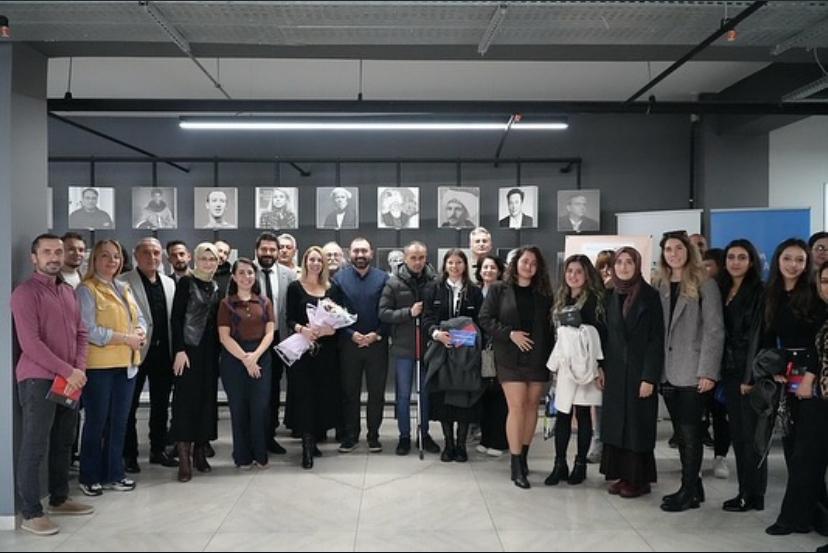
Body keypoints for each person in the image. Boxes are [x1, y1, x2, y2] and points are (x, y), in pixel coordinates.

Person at [11, 234, 94, 536]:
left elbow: (82, 334)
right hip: (38, 379)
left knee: (63, 441)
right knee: (35, 445)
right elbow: (30, 344)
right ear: (34, 258)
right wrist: (68, 370)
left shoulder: (69, 292)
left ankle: (59, 498)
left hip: (69, 379)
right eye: (47, 252)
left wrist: (78, 369)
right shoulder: (25, 293)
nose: (54, 257)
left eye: (58, 251)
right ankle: (32, 513)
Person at [656, 231, 724, 512]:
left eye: (678, 248)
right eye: (668, 249)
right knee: (681, 433)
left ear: (688, 251)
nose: (673, 253)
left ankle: (687, 491)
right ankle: (694, 487)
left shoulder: (705, 284)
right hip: (667, 371)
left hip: (693, 371)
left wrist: (708, 371)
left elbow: (715, 330)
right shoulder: (658, 284)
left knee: (691, 432)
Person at [763, 239, 828, 536]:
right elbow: (769, 337)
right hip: (787, 376)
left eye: (799, 260)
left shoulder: (814, 293)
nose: (793, 265)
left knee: (807, 452)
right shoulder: (773, 294)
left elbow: (818, 344)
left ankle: (792, 517)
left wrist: (809, 377)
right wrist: (773, 369)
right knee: (793, 449)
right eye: (787, 258)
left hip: (811, 379)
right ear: (778, 260)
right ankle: (814, 514)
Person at [480, 246, 554, 489]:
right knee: (517, 405)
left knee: (532, 406)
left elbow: (550, 326)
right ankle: (514, 464)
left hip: (538, 356)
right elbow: (485, 319)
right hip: (509, 356)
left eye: (534, 263)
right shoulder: (499, 289)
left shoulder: (543, 292)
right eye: (525, 261)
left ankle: (523, 456)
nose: (529, 266)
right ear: (516, 263)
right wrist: (509, 334)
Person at [76, 239, 147, 497]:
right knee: (96, 422)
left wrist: (140, 331)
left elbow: (139, 318)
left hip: (127, 365)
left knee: (119, 422)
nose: (111, 261)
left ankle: (114, 473)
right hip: (100, 367)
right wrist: (124, 338)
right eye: (105, 256)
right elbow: (88, 330)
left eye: (116, 256)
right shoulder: (87, 290)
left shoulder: (123, 287)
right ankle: (90, 476)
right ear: (94, 260)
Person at [600, 247, 664, 499]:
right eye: (620, 262)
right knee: (618, 424)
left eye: (629, 262)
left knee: (637, 425)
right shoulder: (610, 294)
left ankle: (639, 480)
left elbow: (655, 339)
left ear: (638, 266)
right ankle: (623, 475)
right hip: (615, 371)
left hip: (640, 372)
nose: (624, 267)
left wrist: (649, 376)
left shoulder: (650, 295)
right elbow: (605, 336)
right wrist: (601, 367)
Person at [545, 255, 607, 486]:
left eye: (578, 271)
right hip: (564, 367)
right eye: (569, 271)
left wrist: (602, 367)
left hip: (587, 367)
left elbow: (603, 335)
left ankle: (580, 464)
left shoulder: (596, 300)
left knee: (582, 415)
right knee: (562, 414)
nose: (573, 275)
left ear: (587, 274)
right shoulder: (560, 298)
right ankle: (559, 463)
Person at [120, 238, 178, 473]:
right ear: (136, 255)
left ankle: (158, 449)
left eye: (156, 253)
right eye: (146, 253)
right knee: (129, 406)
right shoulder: (123, 282)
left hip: (164, 353)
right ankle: (129, 455)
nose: (152, 257)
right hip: (135, 352)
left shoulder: (169, 283)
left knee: (161, 405)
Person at [717, 239, 766, 512]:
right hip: (729, 370)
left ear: (751, 262)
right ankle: (747, 491)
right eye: (731, 256)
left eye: (742, 257)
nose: (735, 262)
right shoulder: (723, 289)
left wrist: (749, 378)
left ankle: (752, 494)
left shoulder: (758, 291)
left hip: (748, 373)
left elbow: (758, 336)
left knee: (749, 438)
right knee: (738, 435)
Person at [379, 241, 441, 456]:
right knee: (403, 395)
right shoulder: (393, 283)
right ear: (405, 258)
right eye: (413, 257)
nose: (417, 262)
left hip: (428, 347)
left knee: (424, 393)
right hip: (403, 348)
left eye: (421, 257)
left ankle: (424, 434)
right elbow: (384, 313)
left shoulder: (434, 281)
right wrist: (408, 313)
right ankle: (404, 436)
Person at [423, 248, 484, 463]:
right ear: (445, 265)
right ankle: (448, 444)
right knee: (443, 399)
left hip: (466, 352)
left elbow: (480, 320)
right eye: (450, 262)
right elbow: (426, 318)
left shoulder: (474, 291)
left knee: (464, 398)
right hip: (442, 349)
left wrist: (466, 336)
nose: (455, 266)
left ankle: (461, 445)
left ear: (465, 265)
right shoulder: (434, 289)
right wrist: (436, 333)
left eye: (459, 262)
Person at [285, 247, 343, 469]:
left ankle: (316, 438)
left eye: (320, 260)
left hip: (326, 352)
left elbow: (340, 318)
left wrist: (331, 330)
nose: (316, 263)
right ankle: (306, 446)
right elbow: (289, 318)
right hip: (302, 350)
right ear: (305, 261)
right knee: (304, 396)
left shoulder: (332, 289)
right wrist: (302, 329)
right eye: (312, 259)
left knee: (322, 396)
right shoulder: (294, 287)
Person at [170, 242, 222, 482]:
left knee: (206, 402)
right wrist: (179, 350)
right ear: (196, 260)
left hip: (210, 353)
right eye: (205, 259)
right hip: (189, 352)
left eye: (213, 259)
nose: (209, 263)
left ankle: (201, 453)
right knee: (185, 404)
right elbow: (176, 319)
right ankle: (184, 460)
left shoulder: (215, 285)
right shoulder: (185, 283)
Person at [217, 258, 275, 469]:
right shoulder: (226, 304)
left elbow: (270, 333)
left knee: (259, 408)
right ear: (233, 277)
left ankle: (260, 454)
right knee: (239, 408)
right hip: (234, 361)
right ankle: (242, 456)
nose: (246, 277)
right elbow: (224, 337)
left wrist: (255, 357)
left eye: (250, 273)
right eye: (241, 273)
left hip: (261, 358)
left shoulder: (264, 302)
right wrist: (245, 358)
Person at [334, 237, 389, 453]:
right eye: (356, 251)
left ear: (372, 253)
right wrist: (351, 334)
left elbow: (388, 311)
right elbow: (333, 313)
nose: (360, 255)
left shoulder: (384, 278)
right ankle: (351, 435)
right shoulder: (339, 279)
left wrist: (376, 334)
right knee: (350, 393)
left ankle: (373, 435)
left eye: (364, 251)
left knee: (377, 393)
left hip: (377, 344)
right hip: (349, 344)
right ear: (350, 254)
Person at [255, 232, 297, 455]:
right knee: (255, 390)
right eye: (265, 249)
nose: (269, 254)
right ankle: (255, 436)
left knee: (273, 390)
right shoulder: (246, 272)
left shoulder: (289, 275)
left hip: (280, 340)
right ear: (257, 250)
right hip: (254, 342)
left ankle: (269, 435)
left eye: (273, 250)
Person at [474, 255, 509, 457]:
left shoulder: (505, 292)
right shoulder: (476, 292)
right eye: (484, 267)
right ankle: (486, 438)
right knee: (486, 392)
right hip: (482, 350)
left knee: (500, 394)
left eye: (492, 267)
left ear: (499, 270)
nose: (488, 271)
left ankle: (500, 440)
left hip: (500, 348)